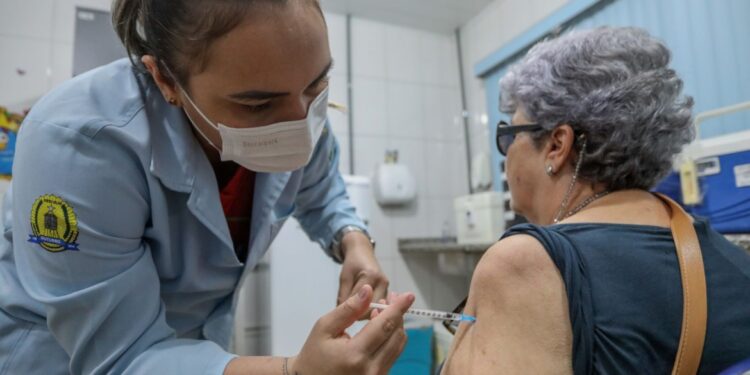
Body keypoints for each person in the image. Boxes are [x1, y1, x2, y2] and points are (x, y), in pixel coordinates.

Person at [0, 0, 415, 374]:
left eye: (316, 86)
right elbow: (123, 356)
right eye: (257, 105)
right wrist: (295, 371)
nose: (301, 126)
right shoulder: (80, 143)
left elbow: (322, 192)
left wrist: (353, 240)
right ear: (165, 79)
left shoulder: (297, 110)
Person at [441, 27, 750, 374]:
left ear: (557, 145)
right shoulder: (732, 259)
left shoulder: (523, 265)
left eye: (509, 135)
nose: (506, 155)